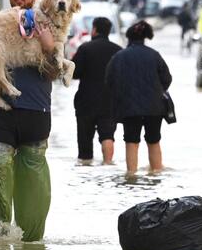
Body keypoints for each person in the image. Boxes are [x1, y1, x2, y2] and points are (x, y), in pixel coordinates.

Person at [0, 0, 60, 242]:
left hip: (36, 114)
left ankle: (31, 244)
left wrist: (48, 48)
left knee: (33, 182)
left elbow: (54, 74)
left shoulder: (49, 27)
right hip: (1, 113)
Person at [105, 20, 172, 176]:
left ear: (128, 37)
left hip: (129, 108)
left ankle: (131, 175)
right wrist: (155, 91)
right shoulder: (154, 55)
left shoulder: (119, 57)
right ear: (146, 37)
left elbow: (109, 82)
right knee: (154, 140)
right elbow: (167, 79)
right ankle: (156, 174)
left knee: (131, 141)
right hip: (155, 107)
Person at [71, 17, 122, 165]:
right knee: (107, 136)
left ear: (94, 30)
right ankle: (108, 164)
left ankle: (86, 167)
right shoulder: (118, 51)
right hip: (109, 102)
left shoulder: (85, 48)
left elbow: (74, 73)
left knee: (85, 143)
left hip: (86, 102)